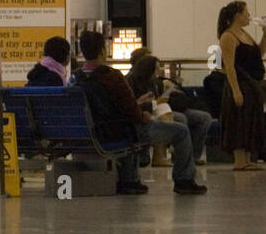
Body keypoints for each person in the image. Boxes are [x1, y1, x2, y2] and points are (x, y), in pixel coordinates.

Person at [70, 30, 205, 195]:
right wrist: (144, 116)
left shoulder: (74, 79)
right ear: (102, 51)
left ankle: (130, 180)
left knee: (128, 128)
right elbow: (131, 109)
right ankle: (184, 180)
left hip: (91, 133)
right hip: (118, 131)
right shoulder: (112, 76)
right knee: (181, 131)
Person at [126, 51, 212, 168]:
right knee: (180, 118)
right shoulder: (131, 81)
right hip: (155, 109)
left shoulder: (156, 81)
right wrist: (163, 95)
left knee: (204, 117)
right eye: (156, 68)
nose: (159, 70)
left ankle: (191, 156)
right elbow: (147, 103)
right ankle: (177, 155)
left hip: (173, 106)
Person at [216, 0, 266, 170]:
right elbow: (229, 66)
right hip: (240, 84)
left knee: (250, 121)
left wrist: (265, 35)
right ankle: (239, 161)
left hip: (251, 84)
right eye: (246, 13)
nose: (249, 16)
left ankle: (246, 159)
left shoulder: (245, 34)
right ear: (238, 15)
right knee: (239, 121)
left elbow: (258, 54)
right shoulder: (228, 36)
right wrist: (236, 91)